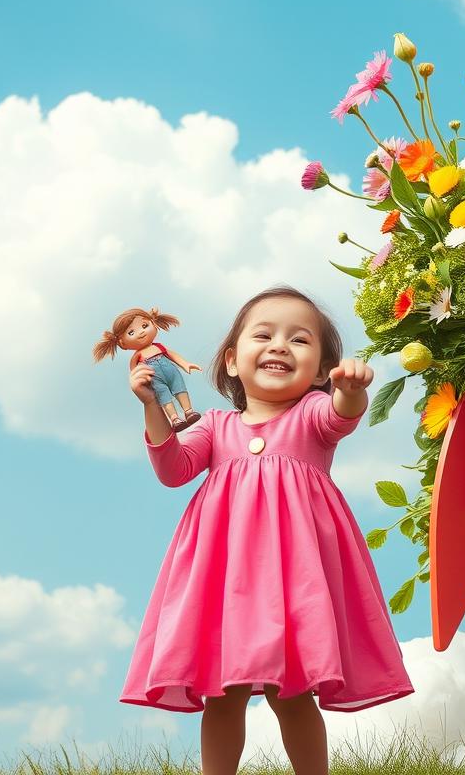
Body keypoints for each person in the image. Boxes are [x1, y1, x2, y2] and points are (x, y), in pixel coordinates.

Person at [119, 285, 415, 775]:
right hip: (226, 583)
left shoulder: (311, 417)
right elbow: (173, 469)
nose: (280, 345)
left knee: (291, 692)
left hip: (292, 584)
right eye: (264, 335)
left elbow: (341, 414)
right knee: (222, 694)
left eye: (299, 340)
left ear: (320, 370)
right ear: (232, 361)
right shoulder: (214, 426)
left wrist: (351, 388)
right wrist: (153, 406)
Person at [93, 306, 202, 432]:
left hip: (172, 372)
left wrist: (185, 364)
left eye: (144, 326)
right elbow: (134, 372)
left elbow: (172, 355)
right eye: (131, 333)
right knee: (164, 397)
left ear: (153, 323)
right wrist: (138, 381)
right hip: (156, 379)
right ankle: (175, 419)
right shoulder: (137, 356)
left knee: (180, 388)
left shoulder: (159, 347)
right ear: (122, 343)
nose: (141, 332)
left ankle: (189, 411)